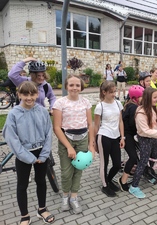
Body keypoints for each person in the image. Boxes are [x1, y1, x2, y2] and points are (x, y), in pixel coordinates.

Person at [3, 81, 54, 225]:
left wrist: (44, 155)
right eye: (25, 94)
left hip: (41, 153)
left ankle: (42, 209)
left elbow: (48, 133)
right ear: (19, 95)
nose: (29, 98)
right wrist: (28, 157)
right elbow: (12, 138)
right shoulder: (13, 114)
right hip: (23, 154)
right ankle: (24, 215)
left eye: (32, 94)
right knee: (22, 185)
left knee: (41, 181)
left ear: (37, 94)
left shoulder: (42, 111)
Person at [52, 74, 95, 214]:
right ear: (66, 86)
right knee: (66, 172)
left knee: (78, 170)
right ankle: (65, 196)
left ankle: (74, 197)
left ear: (81, 87)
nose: (74, 88)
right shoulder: (60, 103)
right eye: (71, 85)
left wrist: (91, 145)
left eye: (77, 85)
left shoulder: (85, 103)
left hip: (82, 139)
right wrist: (69, 147)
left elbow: (90, 124)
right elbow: (57, 127)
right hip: (67, 140)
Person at [94, 81, 125, 197]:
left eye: (115, 91)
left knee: (117, 164)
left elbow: (120, 121)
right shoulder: (100, 106)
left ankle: (108, 179)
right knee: (104, 162)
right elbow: (96, 125)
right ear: (104, 92)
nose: (114, 94)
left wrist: (122, 137)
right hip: (104, 136)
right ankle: (105, 186)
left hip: (116, 136)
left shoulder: (118, 103)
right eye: (111, 92)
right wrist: (94, 143)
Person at [118, 85, 144, 192]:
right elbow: (132, 124)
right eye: (142, 96)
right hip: (126, 135)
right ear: (136, 98)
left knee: (135, 156)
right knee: (133, 157)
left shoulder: (130, 104)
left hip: (127, 134)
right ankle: (122, 181)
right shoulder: (134, 107)